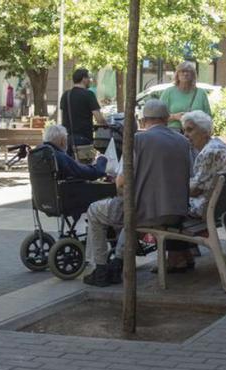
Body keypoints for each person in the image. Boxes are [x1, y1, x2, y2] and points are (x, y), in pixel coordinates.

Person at [82, 100, 191, 287]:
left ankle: (99, 267)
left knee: (96, 210)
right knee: (133, 210)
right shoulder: (183, 141)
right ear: (166, 119)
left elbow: (121, 181)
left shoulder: (137, 141)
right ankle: (118, 261)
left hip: (144, 214)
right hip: (176, 212)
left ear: (143, 121)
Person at [59, 68, 106, 157]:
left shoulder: (66, 95)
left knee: (69, 168)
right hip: (84, 139)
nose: (90, 80)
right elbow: (99, 119)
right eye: (89, 78)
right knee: (85, 167)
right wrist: (106, 124)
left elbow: (63, 116)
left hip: (67, 139)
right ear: (83, 79)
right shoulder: (89, 94)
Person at [40, 124, 106, 180]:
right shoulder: (60, 157)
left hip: (44, 193)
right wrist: (101, 159)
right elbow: (92, 173)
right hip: (67, 192)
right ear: (62, 140)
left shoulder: (39, 152)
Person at [160, 61, 211, 132]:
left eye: (188, 71)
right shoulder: (168, 92)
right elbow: (159, 117)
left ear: (193, 75)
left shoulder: (201, 93)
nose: (185, 74)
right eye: (182, 71)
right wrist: (175, 117)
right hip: (174, 133)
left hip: (196, 134)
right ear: (177, 74)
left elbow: (208, 117)